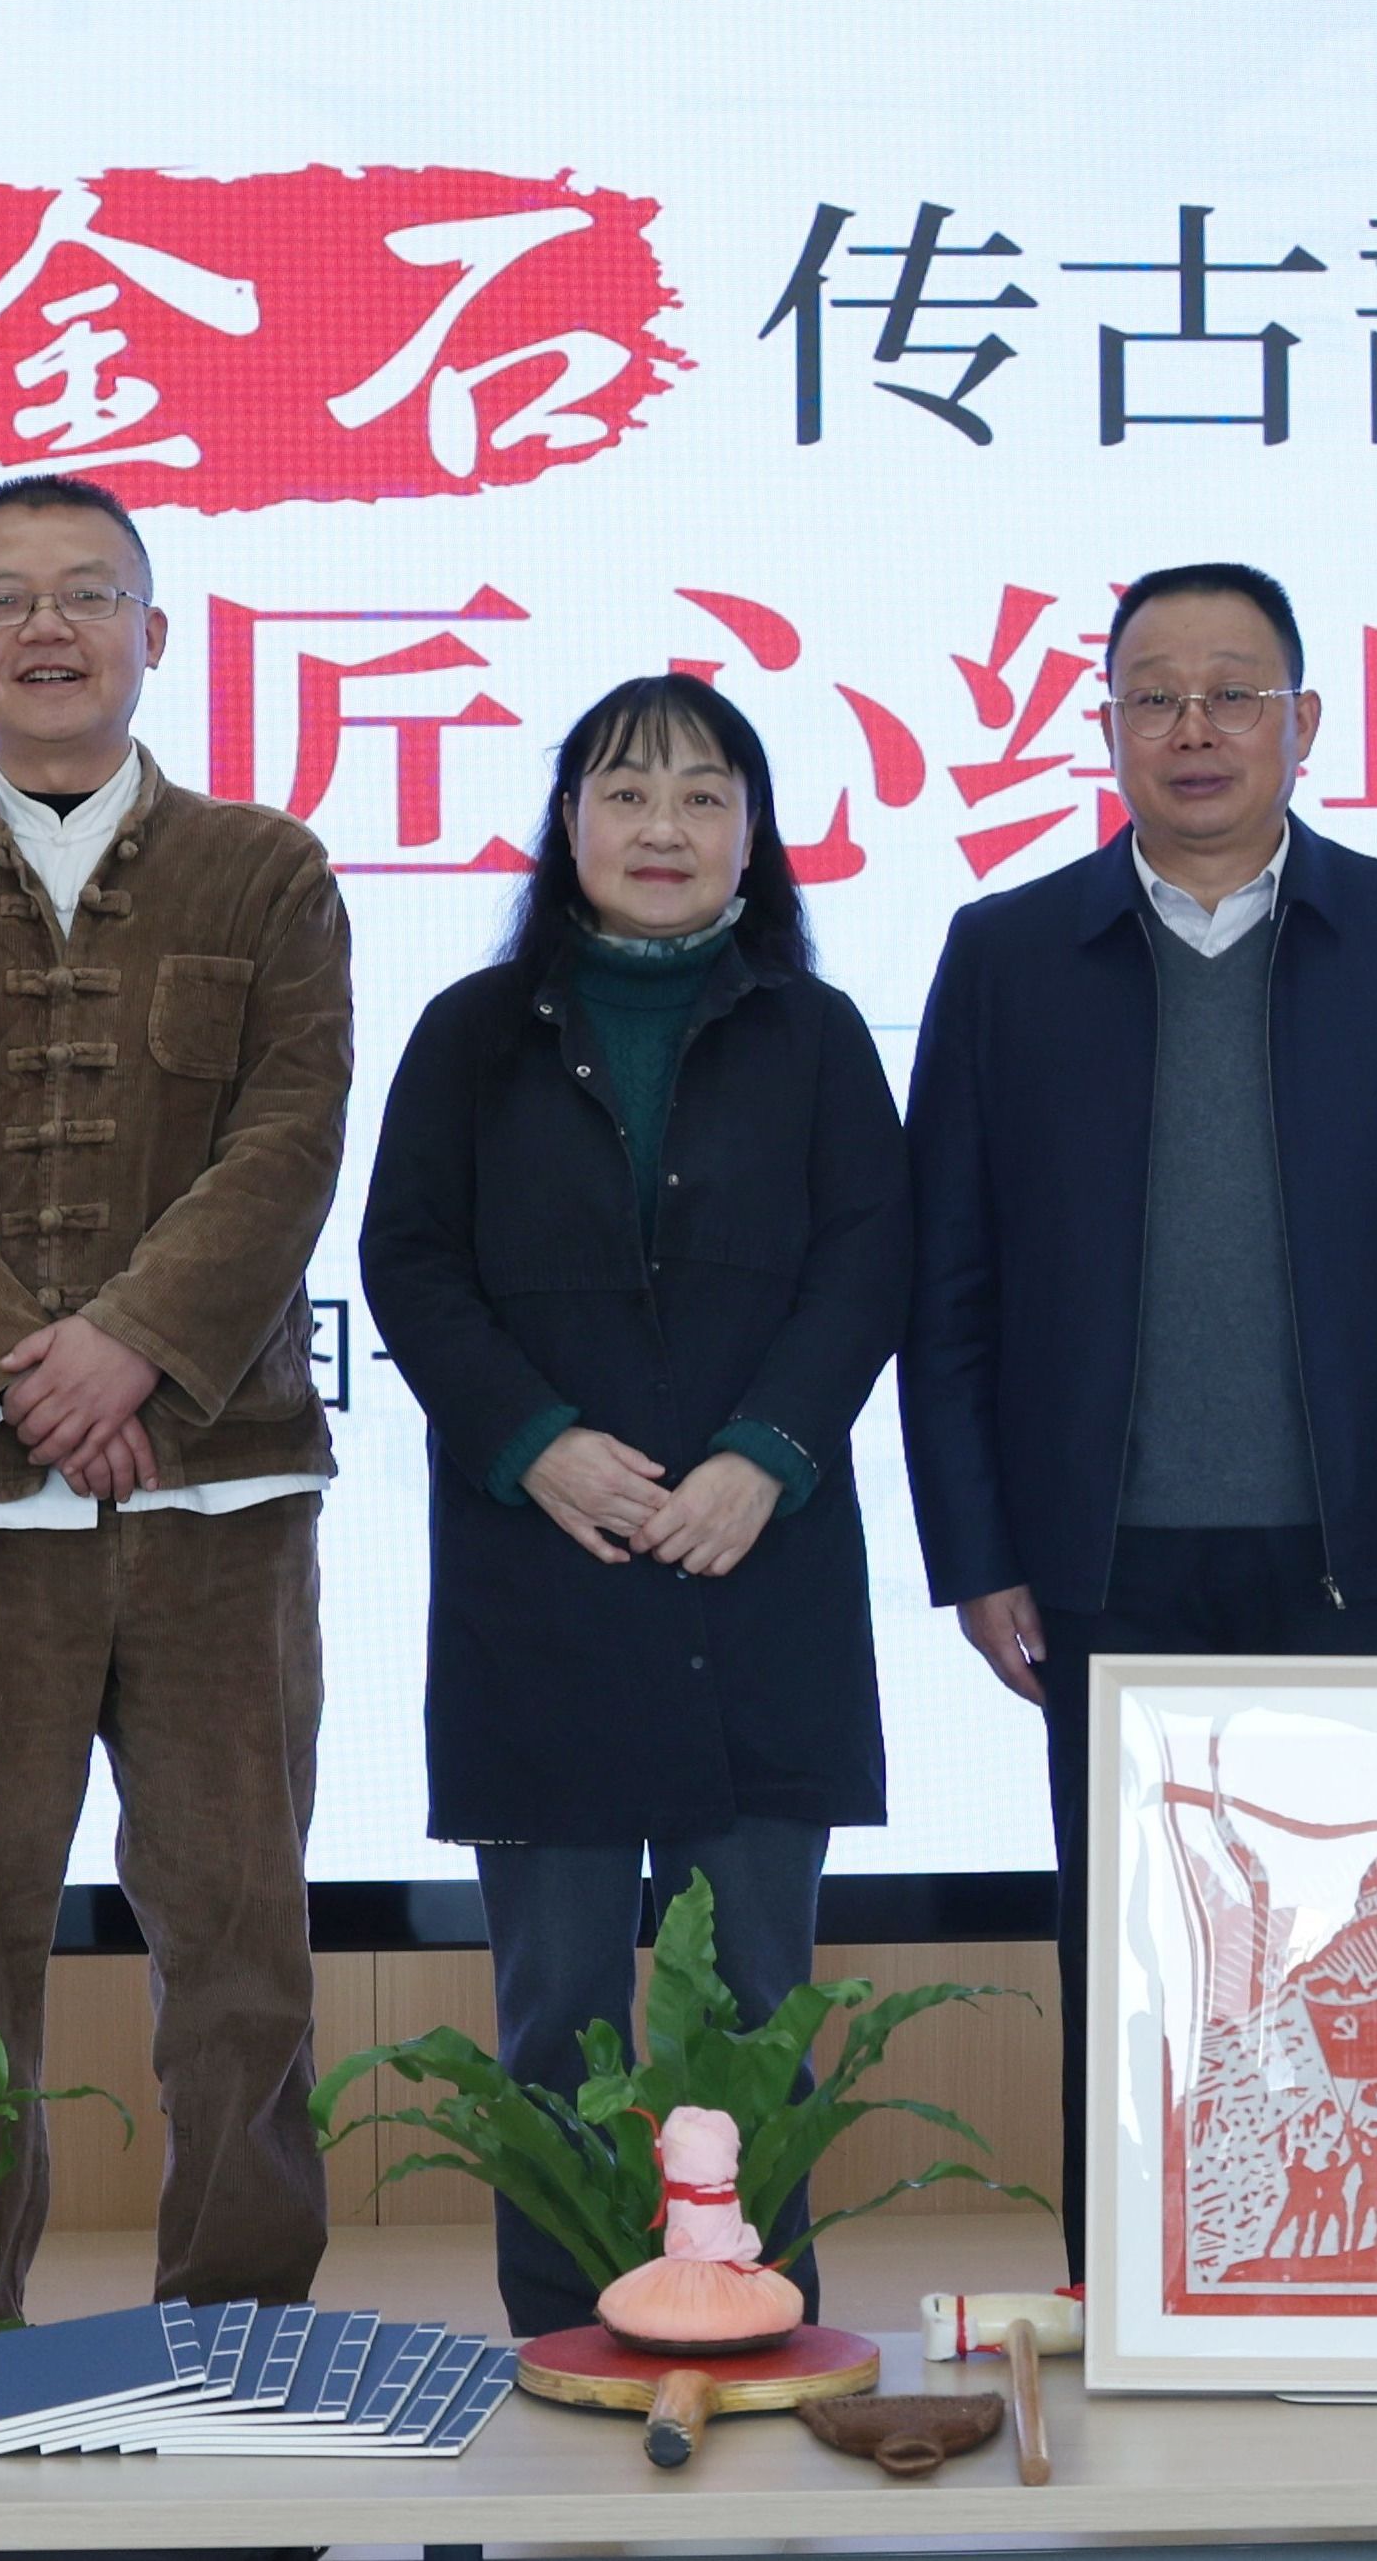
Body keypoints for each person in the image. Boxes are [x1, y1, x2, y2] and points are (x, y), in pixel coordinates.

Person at [899, 560, 1377, 2274]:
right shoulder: (1009, 952)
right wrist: (976, 1547)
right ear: (1107, 727)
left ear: (1304, 722)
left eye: (1234, 692)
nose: (1194, 727)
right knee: (1131, 1944)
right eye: (1156, 695)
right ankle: (1133, 2291)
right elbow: (946, 1278)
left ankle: (1343, 2290)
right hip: (1099, 1557)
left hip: (1365, 1549)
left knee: (1351, 1960)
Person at [0, 474, 357, 2325]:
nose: (48, 627)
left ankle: (246, 2321)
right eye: (5, 598)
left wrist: (133, 1344)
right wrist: (26, 1379)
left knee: (243, 1945)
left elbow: (289, 1139)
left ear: (153, 632)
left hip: (221, 1498)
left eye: (88, 593)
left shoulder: (266, 870)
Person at [360, 674, 910, 2336]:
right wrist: (533, 1438)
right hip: (549, 1583)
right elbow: (410, 1261)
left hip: (761, 1574)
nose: (662, 826)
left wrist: (769, 1453)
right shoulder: (473, 1032)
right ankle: (566, 2342)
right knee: (560, 2020)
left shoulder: (816, 1036)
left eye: (702, 795)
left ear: (754, 834)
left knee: (753, 2016)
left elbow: (869, 1260)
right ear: (568, 825)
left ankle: (760, 2332)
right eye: (625, 792)